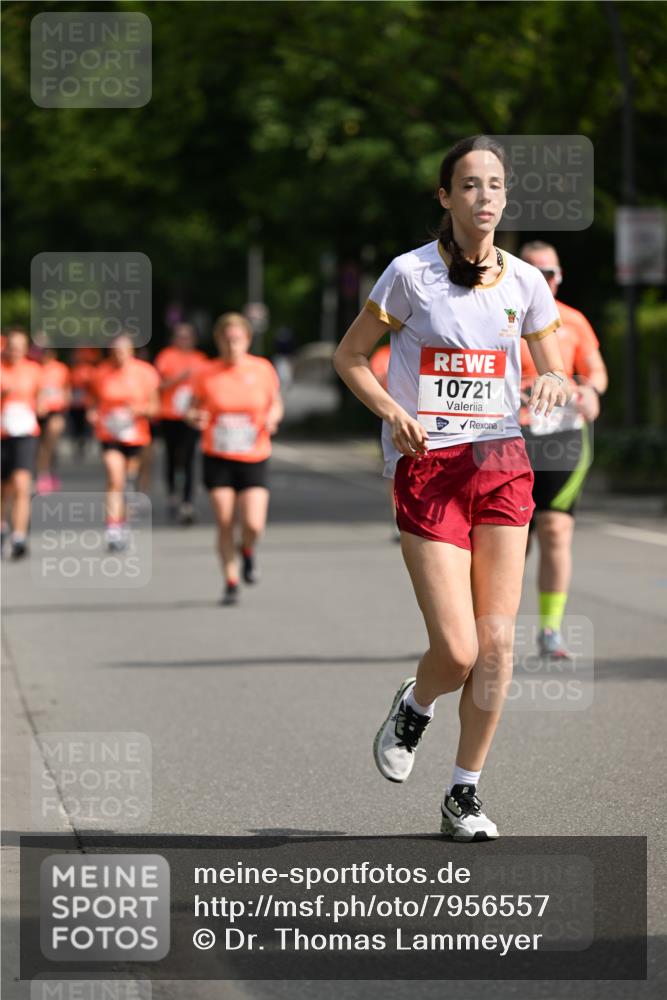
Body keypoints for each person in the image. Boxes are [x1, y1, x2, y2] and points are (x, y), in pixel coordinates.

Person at [333, 135, 572, 841]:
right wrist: (391, 412)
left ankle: (462, 793)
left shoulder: (525, 282)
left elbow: (550, 363)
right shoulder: (409, 275)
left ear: (505, 197)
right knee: (459, 651)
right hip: (428, 465)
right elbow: (351, 359)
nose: (484, 197)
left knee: (497, 647)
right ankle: (415, 703)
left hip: (500, 462)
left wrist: (552, 380)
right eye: (469, 185)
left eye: (494, 184)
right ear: (446, 197)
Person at [518, 242, 608, 659]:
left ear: (559, 277)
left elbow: (596, 372)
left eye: (550, 274)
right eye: (536, 273)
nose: (545, 281)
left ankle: (550, 631)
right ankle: (492, 630)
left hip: (562, 435)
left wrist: (590, 391)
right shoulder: (501, 316)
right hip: (509, 439)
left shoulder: (573, 321)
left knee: (555, 528)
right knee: (511, 539)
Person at [189, 312, 283, 605]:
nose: (232, 345)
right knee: (225, 520)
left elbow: (275, 403)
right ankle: (230, 580)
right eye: (227, 340)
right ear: (218, 341)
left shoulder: (263, 369)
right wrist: (196, 417)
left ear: (247, 340)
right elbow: (191, 409)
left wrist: (272, 417)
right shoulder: (205, 372)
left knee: (254, 524)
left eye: (237, 339)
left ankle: (248, 550)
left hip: (254, 454)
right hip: (218, 455)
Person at [87, 333, 160, 551]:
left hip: (135, 434)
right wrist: (92, 412)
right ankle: (112, 529)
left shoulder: (145, 373)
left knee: (127, 483)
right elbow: (93, 400)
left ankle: (124, 523)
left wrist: (139, 410)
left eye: (122, 352)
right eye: (114, 352)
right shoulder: (101, 373)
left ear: (131, 352)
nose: (118, 356)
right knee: (114, 477)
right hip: (109, 434)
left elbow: (155, 408)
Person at [154, 323, 208, 524]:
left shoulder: (201, 359)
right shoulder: (166, 356)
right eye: (180, 336)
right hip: (170, 414)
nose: (183, 340)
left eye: (187, 337)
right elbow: (157, 385)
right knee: (171, 456)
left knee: (188, 457)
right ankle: (171, 495)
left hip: (191, 416)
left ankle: (187, 502)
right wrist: (180, 378)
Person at [1, 328, 42, 558]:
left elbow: (41, 398)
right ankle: (2, 529)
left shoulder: (33, 370)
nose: (15, 352)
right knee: (2, 489)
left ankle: (19, 537)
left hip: (25, 433)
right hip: (1, 435)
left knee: (21, 484)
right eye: (12, 347)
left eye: (20, 348)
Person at [35, 346, 70, 494]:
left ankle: (49, 471)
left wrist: (65, 403)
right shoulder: (35, 369)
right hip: (38, 412)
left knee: (51, 443)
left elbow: (66, 388)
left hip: (56, 411)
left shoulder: (61, 369)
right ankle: (43, 474)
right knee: (41, 445)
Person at [68, 347, 101, 456]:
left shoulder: (92, 371)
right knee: (76, 425)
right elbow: (70, 385)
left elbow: (94, 388)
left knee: (86, 426)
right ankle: (77, 442)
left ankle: (85, 442)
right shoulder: (74, 370)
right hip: (75, 403)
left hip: (86, 402)